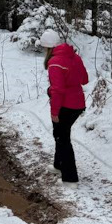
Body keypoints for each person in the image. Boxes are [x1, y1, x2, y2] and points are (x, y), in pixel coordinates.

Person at [40, 29, 88, 188]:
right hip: (78, 104)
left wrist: (54, 112)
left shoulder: (54, 62)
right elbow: (84, 79)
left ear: (48, 48)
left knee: (63, 138)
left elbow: (58, 90)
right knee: (60, 135)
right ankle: (58, 166)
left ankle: (70, 179)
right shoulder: (74, 57)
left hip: (65, 106)